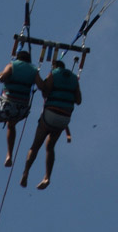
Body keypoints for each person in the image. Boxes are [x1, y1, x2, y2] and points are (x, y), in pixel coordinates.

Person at [20, 57, 82, 189]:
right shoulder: (74, 78)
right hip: (63, 119)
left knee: (36, 145)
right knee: (50, 146)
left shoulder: (53, 74)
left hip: (50, 115)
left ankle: (26, 172)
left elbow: (45, 92)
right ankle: (47, 177)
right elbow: (78, 100)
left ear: (55, 67)